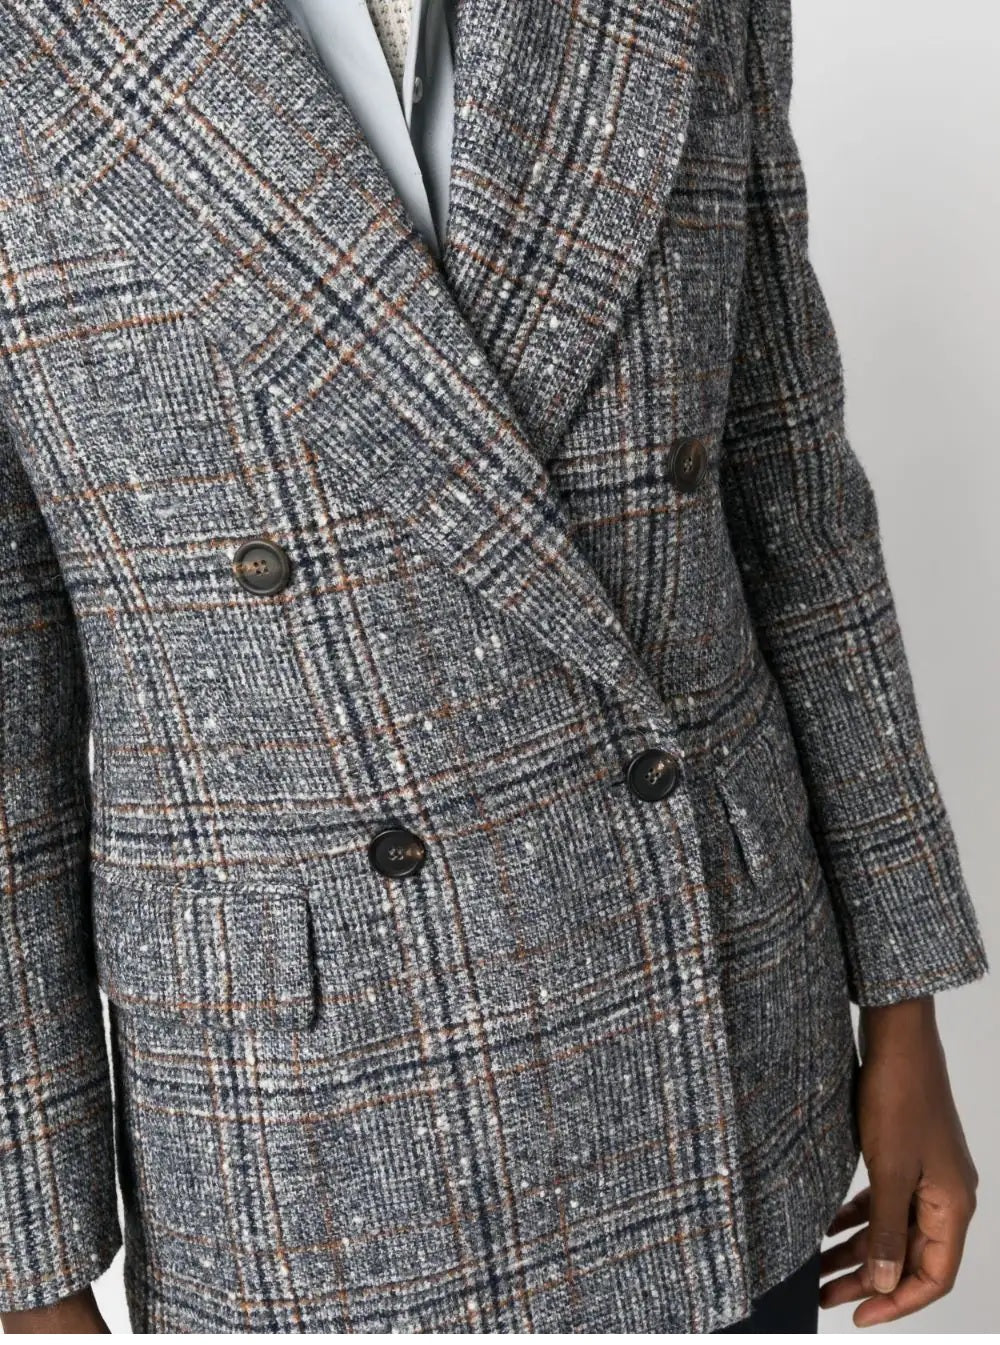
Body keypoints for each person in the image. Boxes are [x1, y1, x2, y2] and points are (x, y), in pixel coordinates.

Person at [0, 0, 988, 1334]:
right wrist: (33, 1274)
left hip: (719, 1055)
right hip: (313, 1142)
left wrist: (904, 1009)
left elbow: (793, 503)